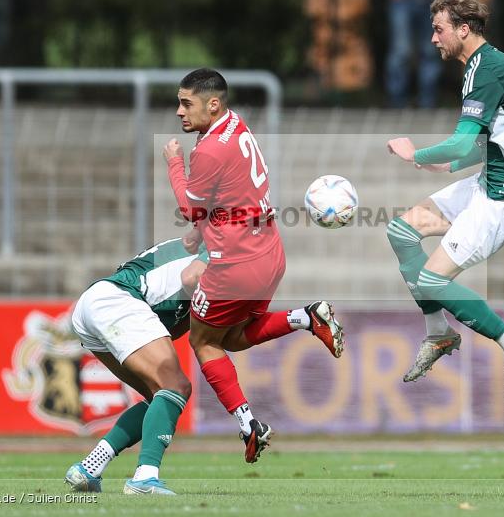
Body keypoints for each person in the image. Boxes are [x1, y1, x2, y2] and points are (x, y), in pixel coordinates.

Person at [165, 68, 344, 464]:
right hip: (270, 254)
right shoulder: (236, 124)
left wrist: (174, 163)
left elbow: (191, 206)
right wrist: (202, 229)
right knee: (232, 338)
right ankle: (305, 317)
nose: (179, 111)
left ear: (213, 104)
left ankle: (249, 425)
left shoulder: (207, 150)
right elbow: (229, 193)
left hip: (235, 265)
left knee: (203, 342)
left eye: (186, 103)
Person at [386, 0, 504, 407]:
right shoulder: (488, 63)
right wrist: (451, 165)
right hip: (490, 182)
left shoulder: (484, 71)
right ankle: (439, 333)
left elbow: (460, 143)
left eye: (439, 30)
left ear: (463, 29)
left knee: (433, 280)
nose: (433, 39)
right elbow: (494, 139)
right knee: (401, 231)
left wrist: (416, 154)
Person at [64, 235, 207, 496]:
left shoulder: (205, 241)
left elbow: (175, 326)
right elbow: (191, 278)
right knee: (176, 386)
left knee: (161, 397)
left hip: (95, 303)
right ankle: (145, 478)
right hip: (118, 300)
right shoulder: (220, 247)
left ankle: (89, 468)